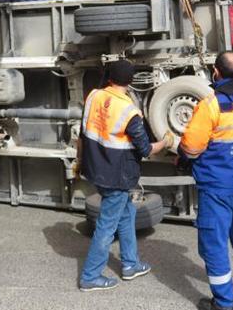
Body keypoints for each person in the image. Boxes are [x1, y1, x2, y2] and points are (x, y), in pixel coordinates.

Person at [177, 52, 233, 310]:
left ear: (216, 72)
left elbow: (192, 147)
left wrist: (184, 157)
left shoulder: (211, 105)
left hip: (216, 185)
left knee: (214, 242)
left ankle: (224, 302)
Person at [77, 59, 172, 291]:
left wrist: (79, 162)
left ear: (110, 78)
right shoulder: (129, 111)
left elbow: (82, 133)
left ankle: (130, 264)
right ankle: (90, 276)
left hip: (96, 168)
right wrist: (166, 141)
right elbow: (146, 150)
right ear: (130, 82)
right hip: (117, 175)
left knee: (127, 214)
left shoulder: (94, 96)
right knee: (106, 226)